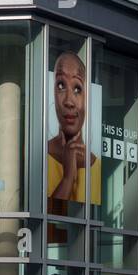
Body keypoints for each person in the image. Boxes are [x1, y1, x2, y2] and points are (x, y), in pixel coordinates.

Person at [47, 51, 101, 206]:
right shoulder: (40, 156)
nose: (69, 102)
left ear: (87, 98)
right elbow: (46, 220)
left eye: (77, 89)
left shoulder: (97, 166)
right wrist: (68, 177)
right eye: (61, 85)